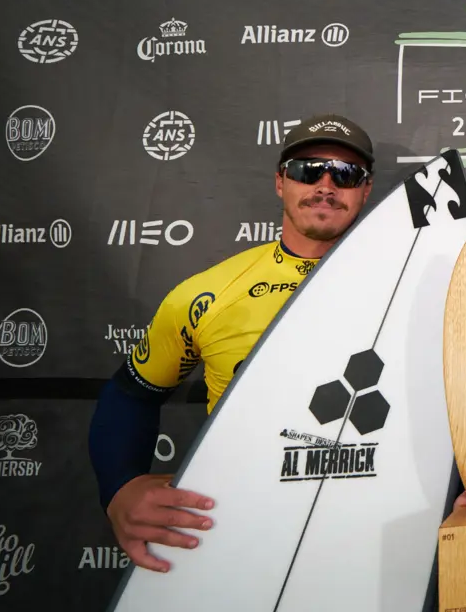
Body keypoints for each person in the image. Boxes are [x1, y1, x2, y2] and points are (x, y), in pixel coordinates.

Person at [87, 114, 377, 573]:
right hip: (245, 535)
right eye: (307, 169)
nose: (325, 184)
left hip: (380, 531)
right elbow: (130, 393)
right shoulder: (208, 295)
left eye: (344, 174)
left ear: (366, 189)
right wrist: (120, 487)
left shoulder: (422, 288)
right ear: (281, 182)